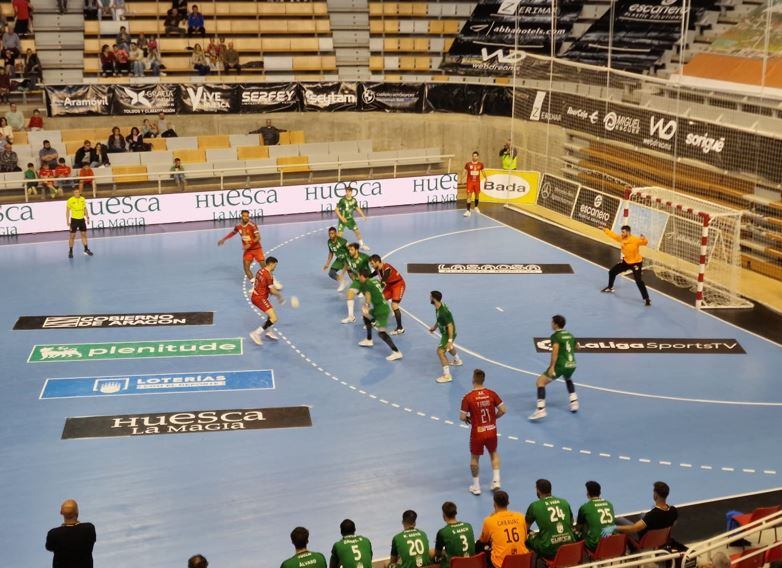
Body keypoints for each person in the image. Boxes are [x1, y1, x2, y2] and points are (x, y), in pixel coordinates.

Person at [461, 369, 506, 495]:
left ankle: (476, 487)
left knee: (474, 458)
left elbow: (462, 417)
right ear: (483, 380)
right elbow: (503, 409)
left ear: (473, 380)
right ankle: (496, 481)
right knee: (493, 453)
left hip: (478, 433)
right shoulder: (491, 394)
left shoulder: (468, 397)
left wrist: (470, 417)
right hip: (491, 430)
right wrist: (494, 418)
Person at [529, 314, 579, 421]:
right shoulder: (570, 335)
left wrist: (552, 367)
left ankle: (541, 410)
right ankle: (574, 402)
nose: (551, 324)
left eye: (552, 322)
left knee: (540, 382)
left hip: (560, 365)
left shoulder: (555, 336)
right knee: (568, 378)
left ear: (556, 324)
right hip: (572, 364)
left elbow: (555, 352)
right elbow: (577, 346)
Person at [356, 270, 403, 361]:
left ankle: (396, 352)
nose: (358, 278)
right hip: (380, 306)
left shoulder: (366, 284)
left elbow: (368, 295)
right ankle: (369, 339)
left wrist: (366, 306)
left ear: (362, 276)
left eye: (359, 276)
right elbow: (381, 286)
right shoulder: (374, 281)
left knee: (381, 333)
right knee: (366, 316)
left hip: (381, 310)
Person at [525, 479, 576, 561]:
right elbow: (572, 523)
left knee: (528, 537)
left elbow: (525, 528)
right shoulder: (564, 502)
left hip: (549, 550)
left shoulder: (534, 506)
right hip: (569, 546)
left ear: (538, 490)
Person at [614, 481, 677, 546]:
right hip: (662, 538)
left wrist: (615, 527)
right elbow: (673, 523)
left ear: (655, 494)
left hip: (646, 541)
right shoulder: (673, 510)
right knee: (642, 514)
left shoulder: (652, 514)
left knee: (618, 520)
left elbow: (634, 528)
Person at [602, 225, 651, 306]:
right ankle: (610, 287)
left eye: (623, 232)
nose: (622, 233)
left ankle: (647, 298)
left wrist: (644, 239)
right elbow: (614, 236)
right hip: (626, 262)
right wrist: (605, 230)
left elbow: (645, 243)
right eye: (621, 232)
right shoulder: (621, 238)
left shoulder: (635, 239)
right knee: (612, 272)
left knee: (638, 281)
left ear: (628, 232)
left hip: (636, 263)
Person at [477, 491, 528, 568]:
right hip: (523, 561)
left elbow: (483, 540)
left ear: (494, 504)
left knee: (480, 545)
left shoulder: (489, 521)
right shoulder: (521, 517)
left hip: (502, 564)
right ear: (508, 502)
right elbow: (524, 539)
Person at [45, 499, 96, 568]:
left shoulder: (53, 534)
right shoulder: (89, 529)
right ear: (77, 511)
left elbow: (49, 547)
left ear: (61, 512)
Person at [218, 209, 265, 281]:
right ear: (241, 216)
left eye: (247, 216)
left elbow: (258, 237)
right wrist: (224, 239)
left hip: (257, 249)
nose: (246, 217)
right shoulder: (238, 226)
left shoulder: (252, 225)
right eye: (244, 216)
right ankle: (254, 286)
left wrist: (250, 244)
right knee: (246, 268)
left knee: (265, 269)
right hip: (248, 250)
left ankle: (273, 281)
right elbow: (233, 232)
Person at [429, 290, 462, 383]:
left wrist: (450, 340)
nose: (429, 298)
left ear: (434, 299)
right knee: (448, 347)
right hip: (446, 333)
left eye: (430, 296)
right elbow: (439, 319)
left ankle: (447, 376)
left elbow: (450, 325)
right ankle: (457, 360)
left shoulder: (443, 312)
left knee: (440, 351)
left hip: (448, 334)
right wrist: (434, 327)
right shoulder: (438, 306)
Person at [368, 254, 405, 335]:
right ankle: (374, 320)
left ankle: (400, 328)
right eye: (371, 264)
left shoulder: (387, 267)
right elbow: (371, 275)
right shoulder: (377, 269)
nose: (371, 265)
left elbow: (384, 279)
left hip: (398, 285)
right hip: (390, 286)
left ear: (377, 262)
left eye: (372, 263)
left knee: (394, 305)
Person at [576, 481, 616, 552]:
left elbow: (578, 528)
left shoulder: (585, 507)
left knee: (578, 534)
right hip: (613, 541)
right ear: (600, 493)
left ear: (587, 493)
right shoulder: (609, 504)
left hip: (597, 545)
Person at [433, 501, 475, 567]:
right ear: (455, 513)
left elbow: (437, 553)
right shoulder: (468, 526)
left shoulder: (443, 532)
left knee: (431, 553)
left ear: (444, 515)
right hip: (471, 564)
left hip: (455, 565)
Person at [341, 242, 370, 324]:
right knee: (350, 293)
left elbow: (374, 262)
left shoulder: (364, 257)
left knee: (373, 297)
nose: (349, 251)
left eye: (351, 250)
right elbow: (347, 266)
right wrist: (343, 274)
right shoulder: (348, 257)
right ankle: (351, 317)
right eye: (349, 249)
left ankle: (392, 308)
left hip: (366, 280)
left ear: (356, 250)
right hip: (358, 280)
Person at [336, 186, 369, 250]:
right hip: (343, 220)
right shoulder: (342, 200)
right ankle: (337, 246)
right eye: (346, 192)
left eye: (349, 192)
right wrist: (341, 218)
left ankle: (362, 245)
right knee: (339, 235)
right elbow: (336, 210)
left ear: (351, 192)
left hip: (350, 219)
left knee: (357, 231)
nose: (348, 193)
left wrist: (363, 215)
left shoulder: (354, 200)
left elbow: (357, 208)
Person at [66, 186, 93, 257]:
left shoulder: (82, 199)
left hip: (82, 220)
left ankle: (86, 249)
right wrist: (67, 221)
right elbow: (67, 211)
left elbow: (85, 208)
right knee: (72, 236)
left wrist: (87, 217)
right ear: (73, 193)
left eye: (78, 192)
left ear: (80, 192)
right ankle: (70, 251)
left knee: (84, 235)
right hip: (74, 220)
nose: (77, 193)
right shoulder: (70, 200)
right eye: (75, 192)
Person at [323, 226, 349, 292]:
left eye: (332, 233)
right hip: (339, 260)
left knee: (352, 275)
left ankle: (361, 289)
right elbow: (331, 253)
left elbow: (351, 249)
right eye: (329, 234)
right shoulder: (329, 242)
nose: (330, 235)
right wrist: (327, 263)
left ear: (335, 233)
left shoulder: (342, 241)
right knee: (331, 273)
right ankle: (343, 282)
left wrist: (351, 260)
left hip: (347, 258)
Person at [463, 151, 485, 217]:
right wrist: (462, 178)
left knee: (477, 195)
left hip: (477, 182)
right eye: (473, 156)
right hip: (470, 182)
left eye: (475, 156)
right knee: (469, 196)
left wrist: (486, 178)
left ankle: (476, 207)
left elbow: (483, 171)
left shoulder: (481, 164)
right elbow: (464, 171)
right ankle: (468, 211)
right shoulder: (468, 164)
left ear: (478, 157)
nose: (474, 157)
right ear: (472, 156)